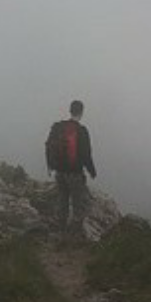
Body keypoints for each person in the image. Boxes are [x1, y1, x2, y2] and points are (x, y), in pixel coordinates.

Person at [45, 100, 97, 236]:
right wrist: (92, 171)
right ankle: (74, 234)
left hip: (59, 172)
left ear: (70, 110)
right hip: (75, 173)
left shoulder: (57, 127)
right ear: (81, 112)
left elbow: (48, 145)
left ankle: (60, 228)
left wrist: (50, 165)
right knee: (78, 203)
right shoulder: (82, 131)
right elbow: (86, 154)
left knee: (62, 199)